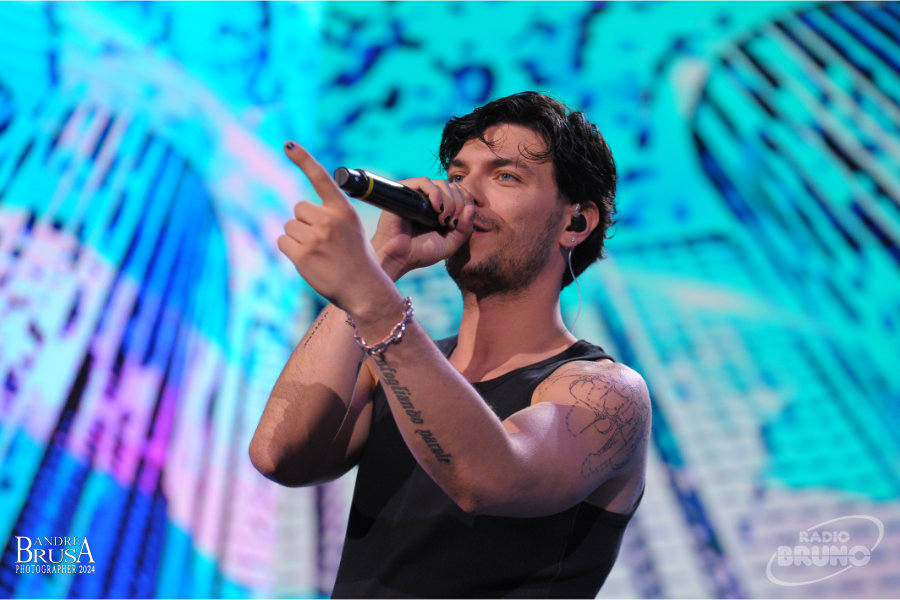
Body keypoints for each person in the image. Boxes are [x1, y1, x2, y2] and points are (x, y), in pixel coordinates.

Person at [249, 91, 650, 598]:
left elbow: (488, 479)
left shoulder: (606, 392)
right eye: (458, 176)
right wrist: (383, 261)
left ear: (576, 223)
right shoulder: (389, 362)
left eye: (505, 177)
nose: (465, 196)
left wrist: (370, 294)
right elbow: (277, 453)